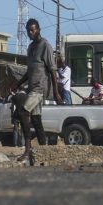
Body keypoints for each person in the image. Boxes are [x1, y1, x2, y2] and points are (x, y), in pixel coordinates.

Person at [12, 18, 61, 165]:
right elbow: (30, 71)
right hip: (31, 88)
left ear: (38, 29)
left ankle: (27, 151)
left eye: (33, 30)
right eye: (28, 31)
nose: (30, 33)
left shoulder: (45, 45)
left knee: (22, 112)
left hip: (40, 89)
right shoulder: (31, 48)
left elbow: (52, 71)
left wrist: (56, 93)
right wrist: (18, 84)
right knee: (36, 120)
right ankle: (44, 152)